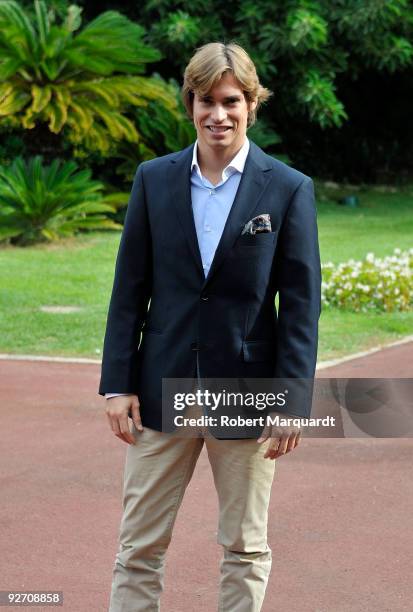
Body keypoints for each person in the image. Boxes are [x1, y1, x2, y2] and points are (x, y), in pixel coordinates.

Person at [99, 41, 321, 612]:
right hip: (160, 387)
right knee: (138, 547)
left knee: (245, 548)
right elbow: (129, 290)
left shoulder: (288, 188)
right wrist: (118, 383)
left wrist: (292, 398)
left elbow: (300, 304)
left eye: (230, 101)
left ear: (251, 104)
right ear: (190, 103)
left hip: (246, 395)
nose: (217, 114)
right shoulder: (154, 179)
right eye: (205, 101)